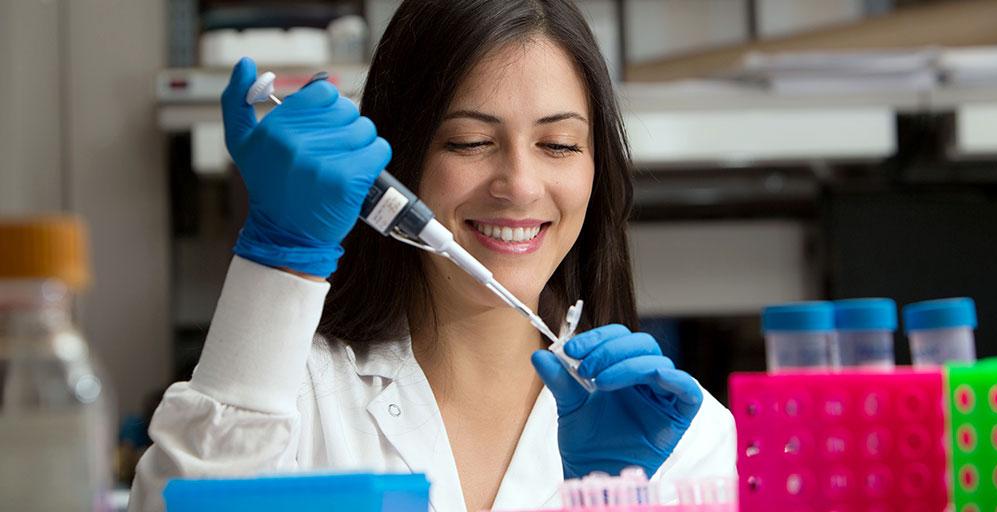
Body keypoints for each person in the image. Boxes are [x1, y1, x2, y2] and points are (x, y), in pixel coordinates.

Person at [128, 1, 736, 511]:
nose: (520, 185)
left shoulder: (672, 433)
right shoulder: (296, 397)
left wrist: (608, 499)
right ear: (397, 161)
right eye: (470, 142)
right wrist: (276, 262)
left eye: (558, 143)